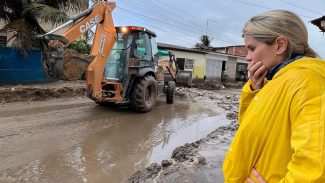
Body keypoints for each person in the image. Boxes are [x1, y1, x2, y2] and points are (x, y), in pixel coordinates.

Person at [222, 10, 325, 183]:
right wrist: (255, 88)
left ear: (280, 45)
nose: (247, 57)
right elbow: (251, 129)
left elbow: (315, 168)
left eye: (252, 48)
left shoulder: (308, 83)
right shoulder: (277, 80)